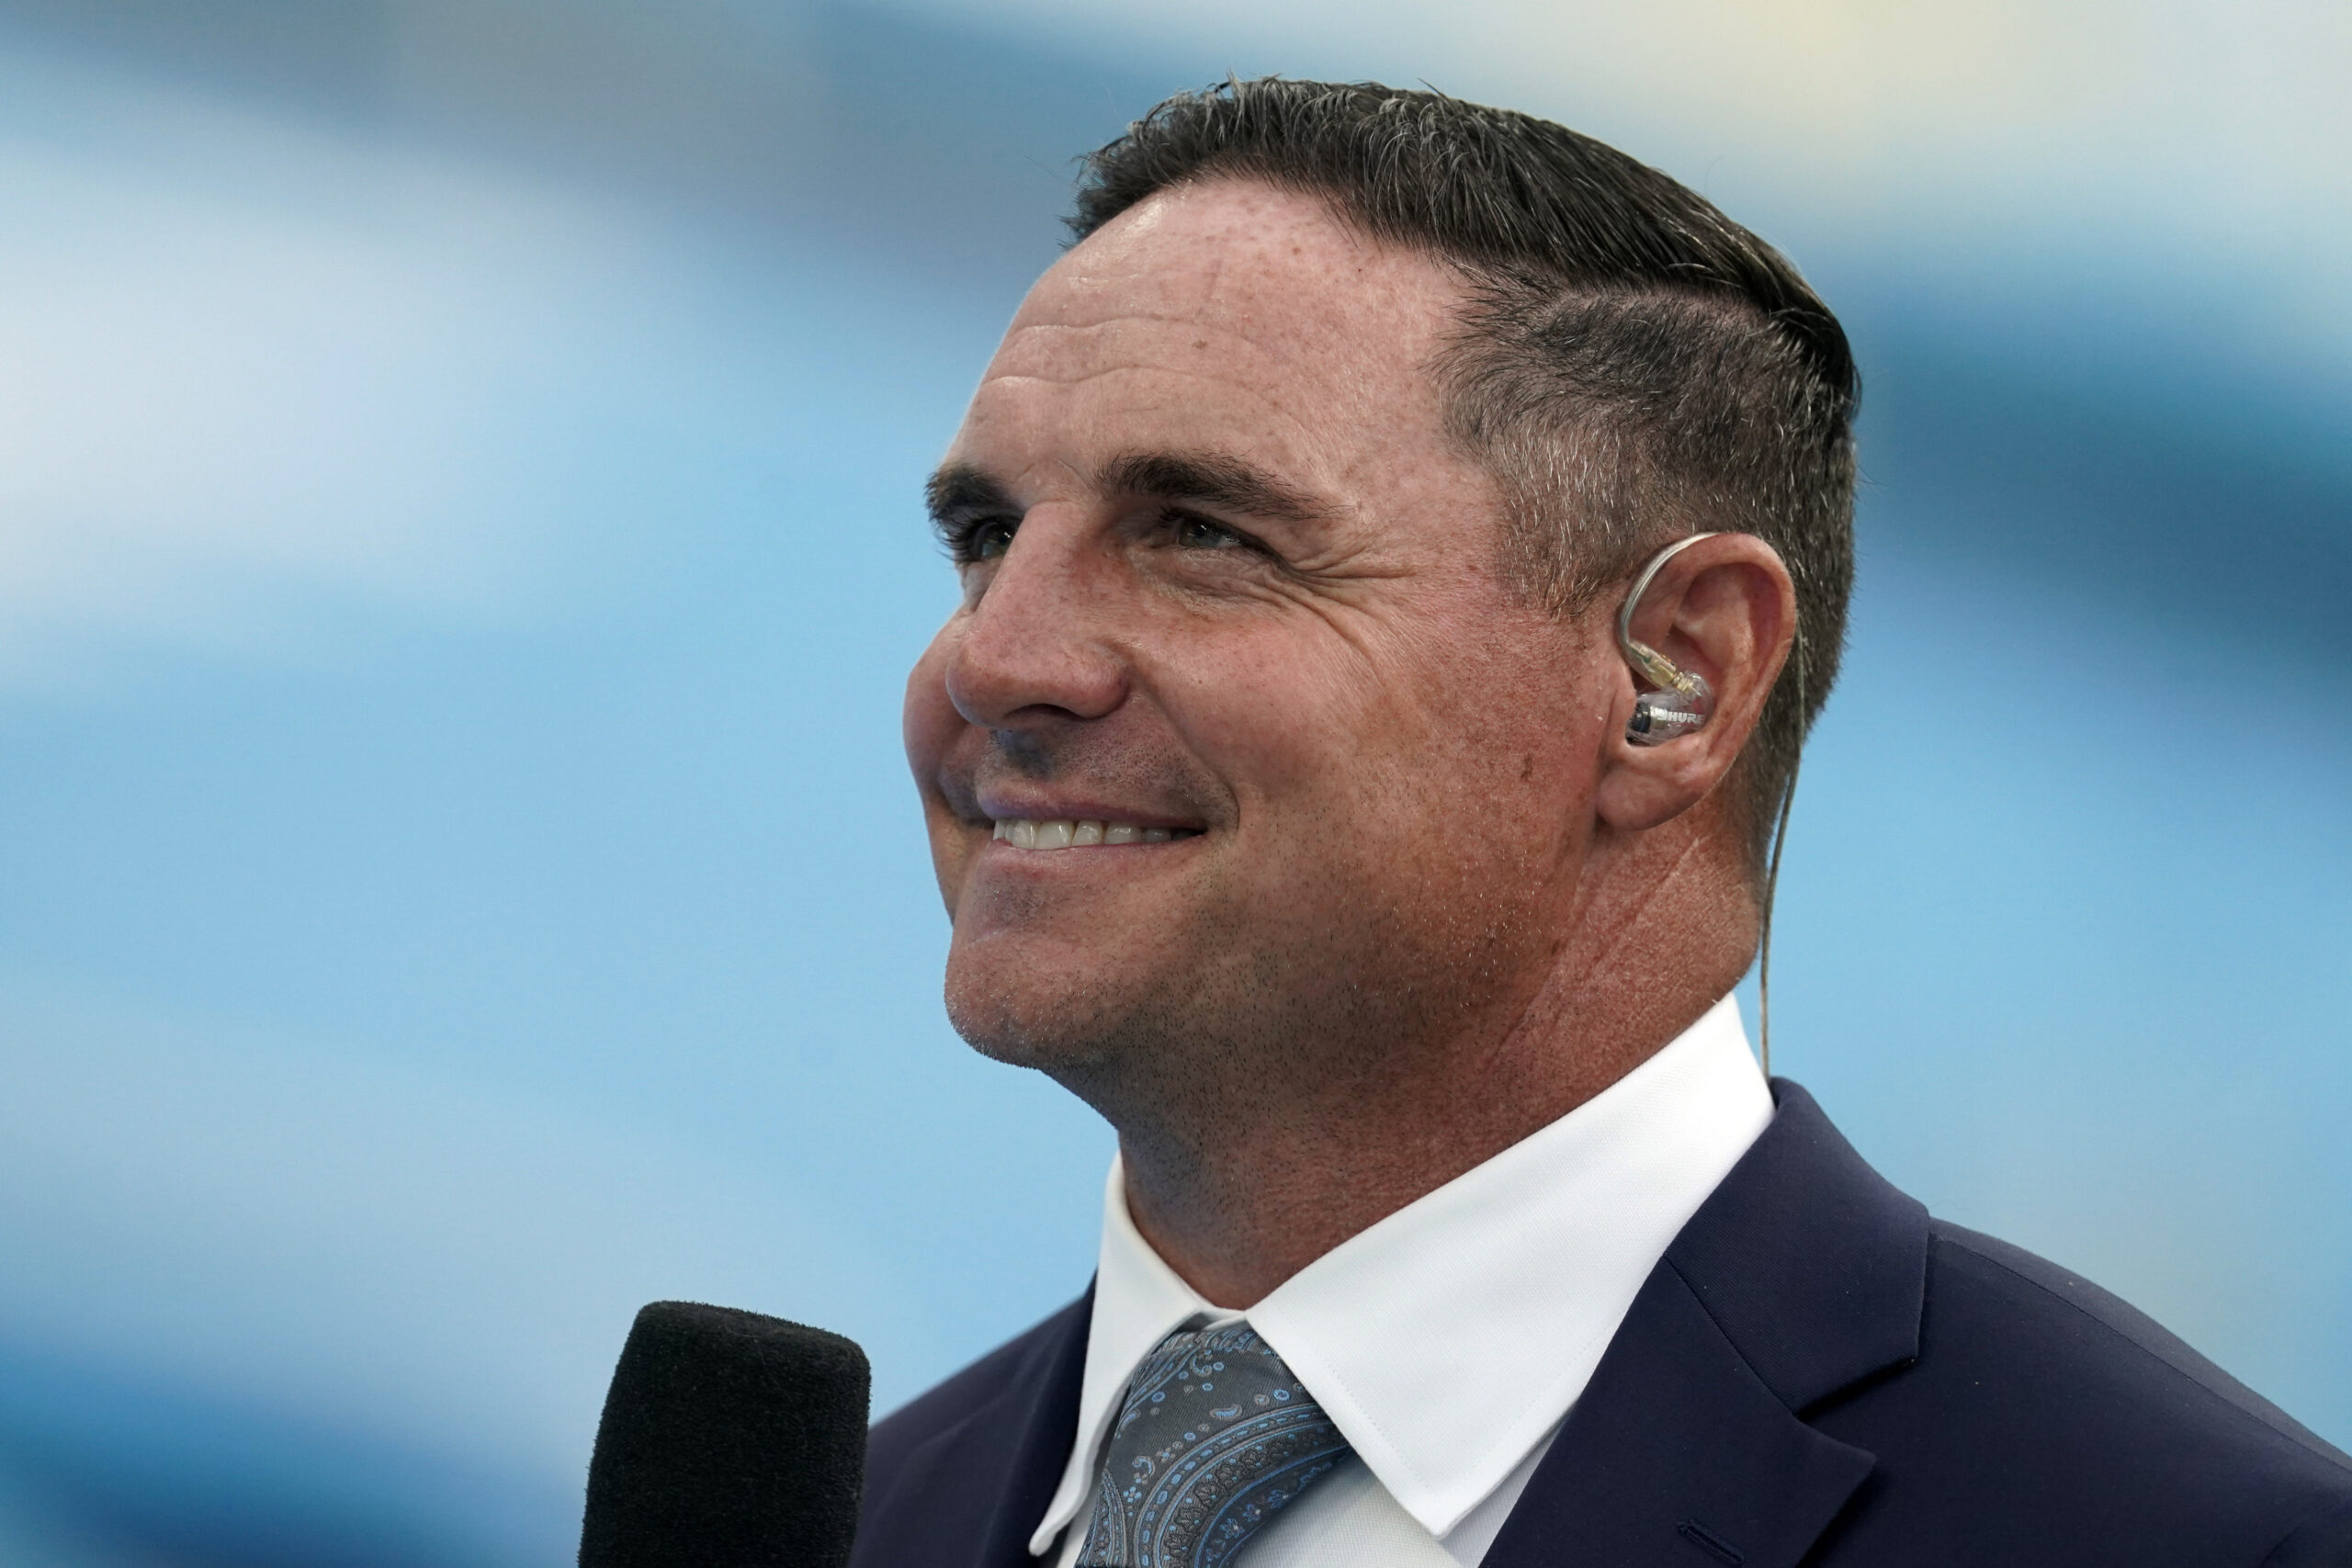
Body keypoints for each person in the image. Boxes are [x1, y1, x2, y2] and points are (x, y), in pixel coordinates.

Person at [851, 80, 2352, 1566]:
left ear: (1677, 679)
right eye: (987, 541)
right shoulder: (838, 1523)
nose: (991, 663)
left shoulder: (2191, 1539)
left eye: (1202, 535)